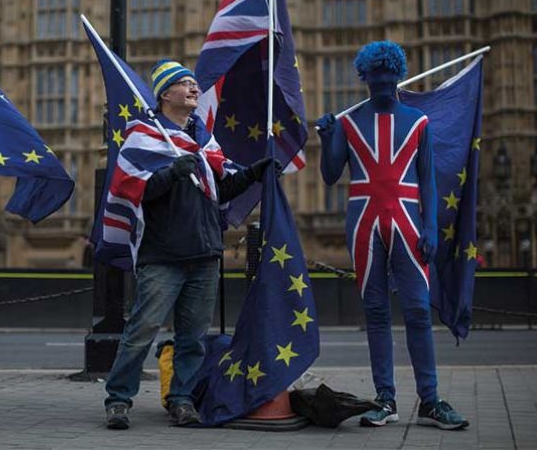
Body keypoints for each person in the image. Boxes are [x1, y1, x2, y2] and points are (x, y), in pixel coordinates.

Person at [104, 60, 280, 429]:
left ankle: (181, 399)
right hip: (163, 254)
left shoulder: (203, 140)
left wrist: (253, 173)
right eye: (184, 84)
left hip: (204, 252)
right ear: (165, 94)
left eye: (194, 84)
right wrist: (170, 173)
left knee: (193, 339)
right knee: (141, 330)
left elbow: (220, 190)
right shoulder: (144, 134)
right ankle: (119, 399)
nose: (194, 89)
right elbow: (135, 190)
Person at [316, 41, 468, 430]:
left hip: (408, 221)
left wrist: (431, 227)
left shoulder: (418, 122)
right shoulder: (349, 123)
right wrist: (326, 138)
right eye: (376, 75)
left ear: (398, 75)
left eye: (389, 74)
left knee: (417, 310)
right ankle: (386, 399)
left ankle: (430, 400)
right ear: (365, 77)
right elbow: (331, 174)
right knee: (376, 312)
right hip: (363, 223)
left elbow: (429, 182)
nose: (383, 81)